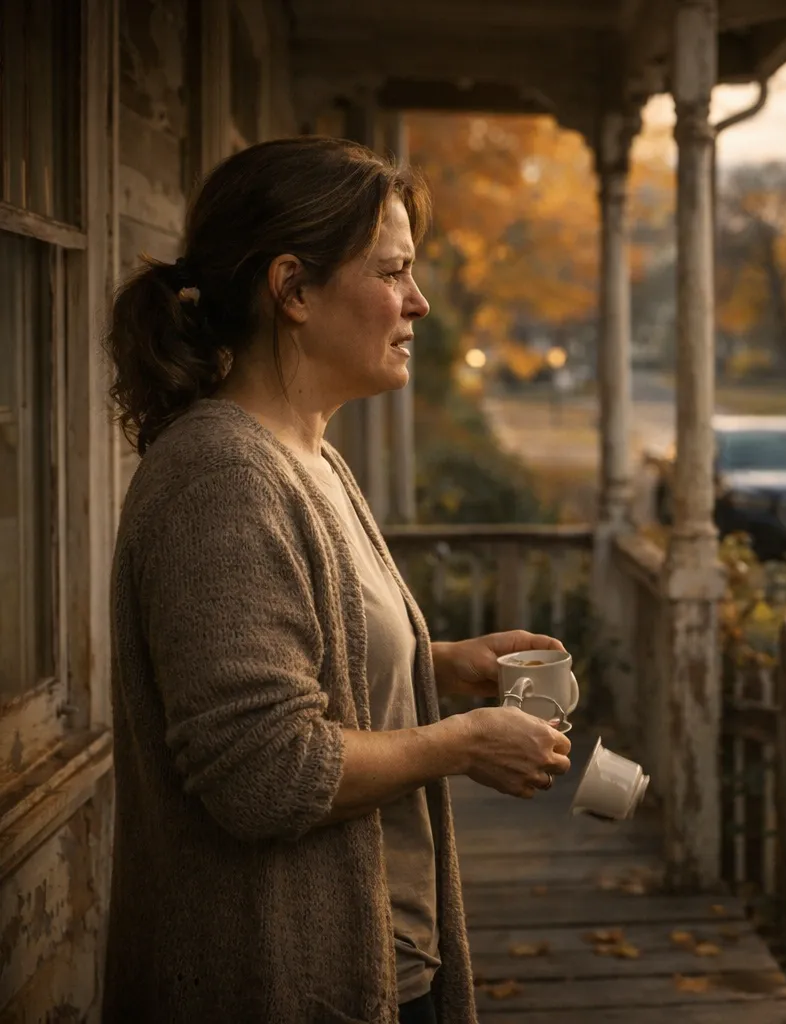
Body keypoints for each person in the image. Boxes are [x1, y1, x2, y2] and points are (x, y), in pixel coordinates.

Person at [103, 137, 574, 1024]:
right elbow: (264, 769)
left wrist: (436, 664)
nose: (419, 301)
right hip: (286, 979)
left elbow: (295, 658)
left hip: (385, 960)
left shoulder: (310, 457)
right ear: (293, 289)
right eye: (393, 272)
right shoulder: (223, 478)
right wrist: (463, 744)